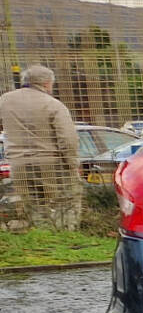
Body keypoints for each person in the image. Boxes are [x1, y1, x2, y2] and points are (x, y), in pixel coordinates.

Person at [0, 66, 82, 231]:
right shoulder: (53, 104)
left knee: (34, 206)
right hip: (51, 163)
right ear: (46, 83)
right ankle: (65, 235)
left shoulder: (5, 100)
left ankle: (42, 236)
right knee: (65, 202)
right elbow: (67, 138)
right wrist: (72, 164)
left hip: (19, 164)